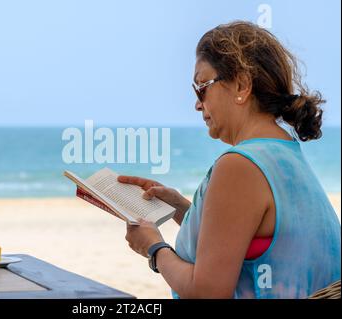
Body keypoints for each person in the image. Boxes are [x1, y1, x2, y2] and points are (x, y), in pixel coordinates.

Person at [119, 21, 341, 299]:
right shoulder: (284, 152)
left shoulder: (241, 165)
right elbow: (252, 240)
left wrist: (153, 248)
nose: (197, 104)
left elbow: (208, 292)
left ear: (242, 85)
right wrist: (182, 209)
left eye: (202, 87)